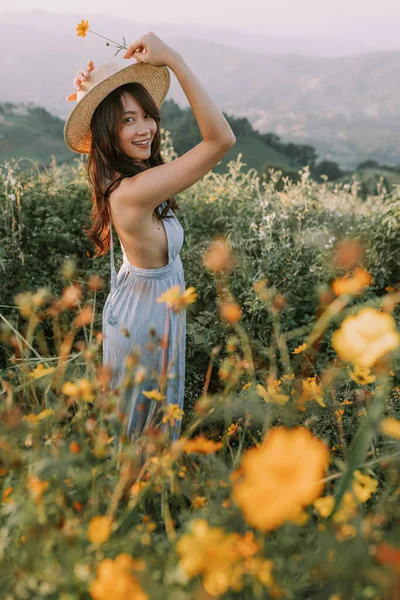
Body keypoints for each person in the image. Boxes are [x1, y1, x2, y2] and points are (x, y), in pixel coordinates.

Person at [64, 32, 236, 447]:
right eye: (127, 120)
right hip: (143, 319)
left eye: (147, 115)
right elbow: (221, 140)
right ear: (108, 130)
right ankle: (133, 507)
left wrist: (94, 91)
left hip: (149, 306)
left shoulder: (135, 178)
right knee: (140, 435)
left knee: (149, 426)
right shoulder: (133, 192)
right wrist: (174, 59)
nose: (146, 129)